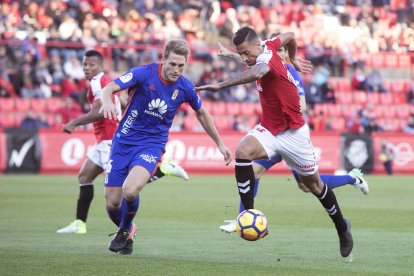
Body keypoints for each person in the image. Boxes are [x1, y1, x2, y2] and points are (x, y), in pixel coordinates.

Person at [196, 27, 353, 258]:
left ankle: (341, 227)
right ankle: (248, 214)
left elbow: (258, 72)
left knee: (314, 186)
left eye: (245, 53)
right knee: (243, 152)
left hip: (294, 134)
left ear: (257, 46)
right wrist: (293, 58)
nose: (244, 58)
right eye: (240, 54)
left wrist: (220, 86)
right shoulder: (268, 44)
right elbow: (290, 35)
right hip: (270, 129)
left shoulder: (266, 57)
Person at [215, 43, 369, 233]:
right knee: (258, 172)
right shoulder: (266, 66)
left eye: (281, 50)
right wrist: (229, 54)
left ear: (286, 54)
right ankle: (245, 218)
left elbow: (302, 105)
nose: (276, 53)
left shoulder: (290, 73)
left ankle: (352, 178)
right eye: (275, 50)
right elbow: (247, 60)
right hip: (273, 135)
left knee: (309, 185)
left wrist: (284, 109)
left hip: (290, 135)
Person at [99, 39, 232, 255]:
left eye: (181, 65)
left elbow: (202, 113)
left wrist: (220, 143)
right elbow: (109, 88)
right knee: (112, 204)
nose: (176, 70)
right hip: (123, 142)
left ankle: (123, 230)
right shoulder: (143, 73)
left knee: (130, 190)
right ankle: (130, 229)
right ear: (163, 59)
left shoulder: (185, 86)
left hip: (151, 145)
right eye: (172, 64)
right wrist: (107, 100)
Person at [56, 50, 190, 235]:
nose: (87, 68)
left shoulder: (100, 83)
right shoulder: (103, 82)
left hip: (112, 139)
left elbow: (101, 110)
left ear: (100, 66)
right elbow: (124, 101)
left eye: (91, 65)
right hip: (102, 139)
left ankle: (160, 173)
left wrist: (74, 123)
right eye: (84, 64)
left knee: (120, 189)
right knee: (84, 177)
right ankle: (80, 222)